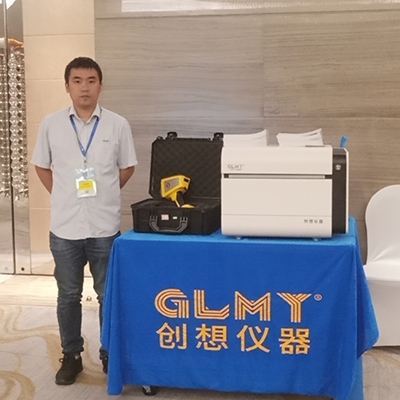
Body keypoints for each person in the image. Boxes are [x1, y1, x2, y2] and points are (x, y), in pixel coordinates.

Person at [31, 56, 137, 385]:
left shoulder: (117, 124)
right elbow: (41, 166)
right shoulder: (51, 124)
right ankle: (71, 355)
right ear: (67, 86)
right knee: (68, 295)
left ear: (100, 85)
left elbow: (127, 167)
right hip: (65, 228)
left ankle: (108, 353)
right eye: (77, 81)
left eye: (91, 80)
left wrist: (104, 194)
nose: (84, 88)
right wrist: (64, 194)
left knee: (107, 294)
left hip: (104, 226)